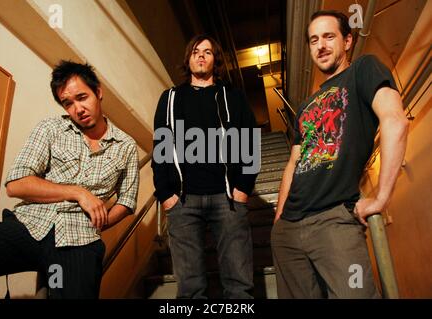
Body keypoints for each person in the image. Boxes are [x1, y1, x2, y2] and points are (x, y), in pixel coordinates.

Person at [270, 10, 409, 298]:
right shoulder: (306, 105)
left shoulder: (364, 69)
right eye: (313, 40)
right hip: (288, 232)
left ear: (347, 41)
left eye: (328, 36)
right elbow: (294, 161)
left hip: (335, 223)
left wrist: (382, 197)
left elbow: (395, 120)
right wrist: (278, 221)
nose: (320, 45)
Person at [0, 61, 139, 299]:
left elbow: (127, 201)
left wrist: (96, 222)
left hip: (79, 241)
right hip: (30, 225)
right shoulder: (50, 128)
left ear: (98, 92)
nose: (78, 108)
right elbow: (16, 184)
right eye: (68, 103)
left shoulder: (126, 146)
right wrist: (78, 192)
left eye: (82, 97)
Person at [152, 34, 259, 298]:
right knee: (189, 288)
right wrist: (165, 194)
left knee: (239, 285)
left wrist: (243, 187)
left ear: (215, 60)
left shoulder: (233, 96)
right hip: (183, 202)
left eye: (208, 52)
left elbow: (250, 141)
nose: (201, 55)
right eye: (196, 51)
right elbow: (161, 146)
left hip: (228, 200)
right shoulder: (170, 98)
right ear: (188, 60)